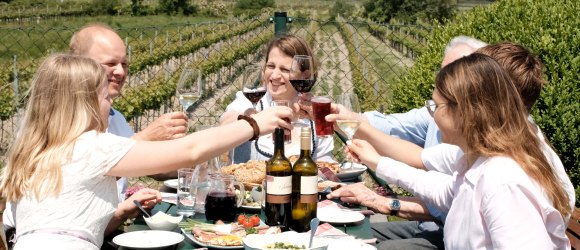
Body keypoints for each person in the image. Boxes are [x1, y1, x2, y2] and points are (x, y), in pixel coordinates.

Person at [0, 54, 293, 249]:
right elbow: (190, 150)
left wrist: (117, 214)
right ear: (84, 104)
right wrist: (254, 125)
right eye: (105, 98)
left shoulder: (35, 152)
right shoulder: (91, 147)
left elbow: (64, 225)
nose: (109, 106)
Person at [327, 41, 575, 249]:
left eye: (436, 106)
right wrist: (377, 162)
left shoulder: (504, 181)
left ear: (468, 110)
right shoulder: (480, 159)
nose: (431, 116)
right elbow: (443, 189)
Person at [69, 23, 189, 199]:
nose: (120, 72)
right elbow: (84, 178)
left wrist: (195, 164)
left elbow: (147, 164)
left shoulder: (115, 117)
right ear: (79, 64)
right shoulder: (61, 117)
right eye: (111, 63)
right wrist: (146, 137)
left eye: (124, 64)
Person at [220, 34, 333, 162]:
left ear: (305, 75)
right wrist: (255, 121)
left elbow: (326, 167)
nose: (274, 75)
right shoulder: (251, 101)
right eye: (271, 66)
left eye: (285, 69)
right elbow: (225, 123)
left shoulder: (313, 115)